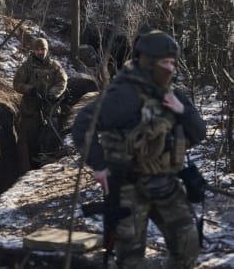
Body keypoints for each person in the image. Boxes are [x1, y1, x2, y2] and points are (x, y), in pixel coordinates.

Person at [72, 29, 206, 268]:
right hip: (127, 186)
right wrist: (99, 165)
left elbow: (198, 133)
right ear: (149, 62)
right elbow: (84, 123)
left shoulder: (173, 94)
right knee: (129, 258)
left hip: (165, 182)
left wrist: (182, 111)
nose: (171, 68)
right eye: (165, 62)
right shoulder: (124, 94)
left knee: (188, 243)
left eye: (173, 63)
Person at [13, 37, 68, 172]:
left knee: (51, 138)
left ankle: (49, 166)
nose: (40, 52)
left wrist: (52, 94)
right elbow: (17, 84)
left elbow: (62, 82)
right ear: (33, 50)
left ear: (46, 50)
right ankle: (34, 168)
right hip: (31, 110)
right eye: (37, 49)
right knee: (32, 141)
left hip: (50, 108)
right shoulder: (26, 67)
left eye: (43, 49)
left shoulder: (55, 66)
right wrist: (31, 90)